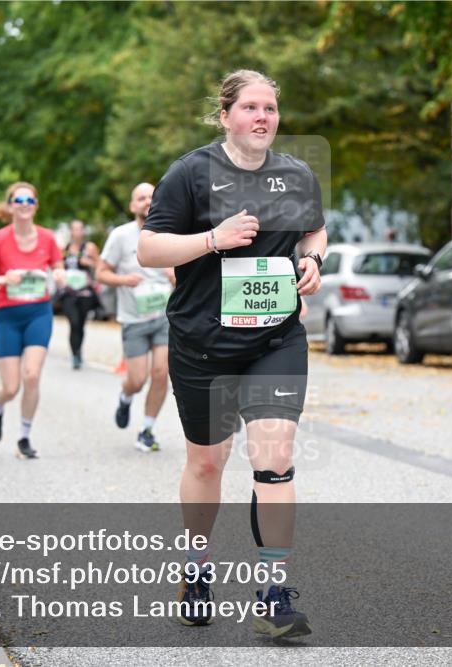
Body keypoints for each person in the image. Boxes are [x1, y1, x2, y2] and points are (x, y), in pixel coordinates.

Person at [137, 70, 326, 638]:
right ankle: (195, 570)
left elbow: (315, 232)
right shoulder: (191, 173)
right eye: (250, 107)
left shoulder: (297, 175)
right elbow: (149, 247)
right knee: (207, 463)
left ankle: (274, 592)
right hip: (203, 344)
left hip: (275, 339)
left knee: (273, 458)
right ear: (225, 116)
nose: (262, 116)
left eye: (270, 107)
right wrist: (211, 240)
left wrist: (315, 262)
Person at [0, 182, 66, 459]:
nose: (24, 203)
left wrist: (60, 275)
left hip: (38, 312)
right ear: (11, 205)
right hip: (6, 316)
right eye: (18, 199)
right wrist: (4, 278)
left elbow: (58, 266)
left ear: (36, 206)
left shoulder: (49, 238)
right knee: (11, 387)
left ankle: (24, 438)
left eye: (30, 199)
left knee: (32, 375)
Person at [97, 183, 176, 453]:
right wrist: (123, 279)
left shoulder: (171, 233)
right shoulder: (120, 236)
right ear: (132, 206)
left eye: (152, 197)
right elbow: (101, 273)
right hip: (134, 319)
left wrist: (175, 277)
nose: (147, 201)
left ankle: (147, 429)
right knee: (137, 379)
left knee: (161, 372)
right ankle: (125, 396)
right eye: (141, 198)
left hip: (164, 316)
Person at [58, 220, 100, 369]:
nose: (77, 232)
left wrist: (88, 262)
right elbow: (58, 267)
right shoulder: (64, 249)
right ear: (70, 231)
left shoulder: (89, 247)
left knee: (80, 324)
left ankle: (78, 350)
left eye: (79, 229)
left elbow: (101, 265)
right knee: (73, 322)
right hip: (68, 292)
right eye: (74, 229)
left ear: (83, 231)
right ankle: (75, 354)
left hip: (85, 292)